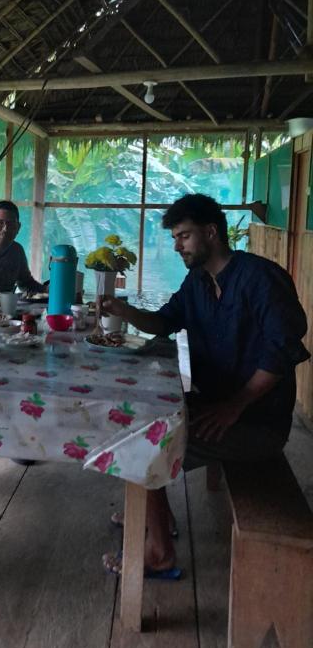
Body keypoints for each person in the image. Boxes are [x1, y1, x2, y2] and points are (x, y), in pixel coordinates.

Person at [101, 193, 309, 576]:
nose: (178, 246)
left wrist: (236, 405)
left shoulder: (260, 278)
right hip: (215, 407)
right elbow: (165, 322)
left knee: (145, 444)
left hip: (257, 423)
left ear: (211, 232)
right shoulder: (197, 281)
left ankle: (159, 552)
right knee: (135, 424)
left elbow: (282, 350)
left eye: (184, 236)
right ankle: (157, 513)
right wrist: (125, 311)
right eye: (176, 238)